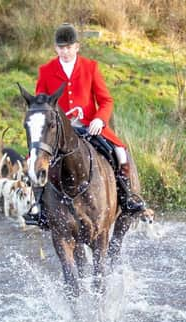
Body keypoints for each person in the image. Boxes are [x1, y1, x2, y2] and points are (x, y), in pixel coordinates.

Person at [24, 23, 145, 227]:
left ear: (77, 47)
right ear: (56, 48)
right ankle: (39, 208)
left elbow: (106, 100)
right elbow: (40, 104)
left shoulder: (91, 67)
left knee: (119, 152)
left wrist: (99, 119)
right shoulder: (46, 71)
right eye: (61, 48)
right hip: (59, 133)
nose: (65, 51)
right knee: (35, 161)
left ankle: (127, 197)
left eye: (69, 47)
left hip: (90, 126)